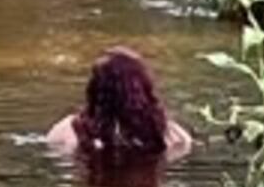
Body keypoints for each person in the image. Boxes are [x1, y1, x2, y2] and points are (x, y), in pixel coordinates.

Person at [47, 47, 192, 164]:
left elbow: (55, 151)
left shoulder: (69, 131)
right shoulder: (170, 135)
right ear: (144, 87)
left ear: (94, 89)